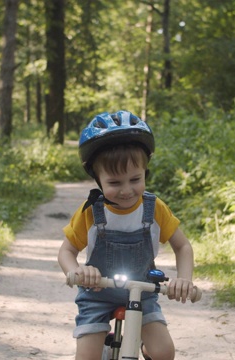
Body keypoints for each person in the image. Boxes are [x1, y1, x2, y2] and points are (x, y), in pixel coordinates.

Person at [57, 110, 196, 360]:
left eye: (135, 179)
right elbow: (66, 251)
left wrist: (184, 279)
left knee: (164, 353)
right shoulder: (90, 212)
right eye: (114, 183)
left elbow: (182, 246)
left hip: (142, 292)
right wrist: (77, 272)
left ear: (146, 173)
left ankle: (142, 347)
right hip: (97, 293)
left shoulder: (155, 209)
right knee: (87, 357)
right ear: (97, 179)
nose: (127, 190)